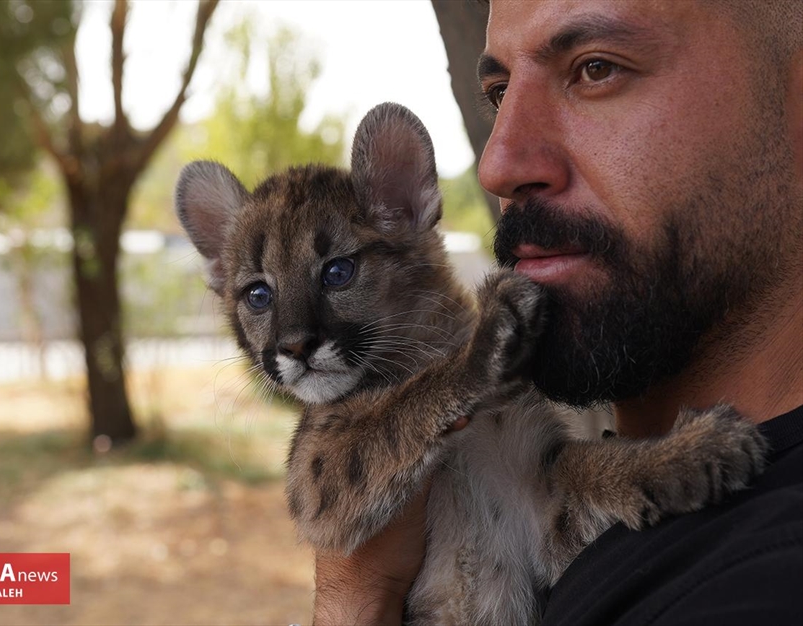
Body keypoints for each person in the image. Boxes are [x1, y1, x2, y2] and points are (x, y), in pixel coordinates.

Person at [312, 0, 803, 623]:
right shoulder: (633, 533)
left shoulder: (767, 578)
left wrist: (351, 601)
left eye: (595, 68)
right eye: (499, 91)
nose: (498, 165)